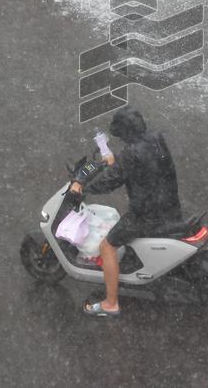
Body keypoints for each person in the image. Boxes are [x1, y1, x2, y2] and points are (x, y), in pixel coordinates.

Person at [69, 107, 182, 318]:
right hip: (170, 207)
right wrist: (119, 161)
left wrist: (83, 187)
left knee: (107, 246)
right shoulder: (155, 138)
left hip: (147, 214)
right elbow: (142, 163)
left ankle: (111, 303)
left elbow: (111, 181)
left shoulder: (131, 153)